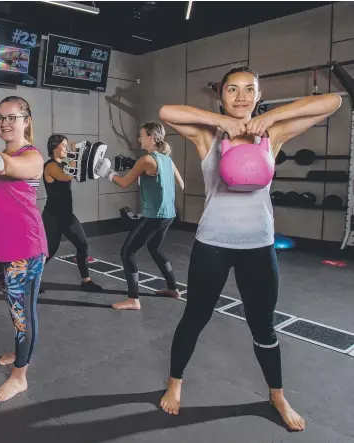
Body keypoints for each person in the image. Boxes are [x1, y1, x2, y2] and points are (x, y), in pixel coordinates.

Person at [158, 66, 342, 431]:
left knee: (264, 327)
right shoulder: (207, 136)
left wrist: (270, 116)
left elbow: (333, 101)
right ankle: (175, 382)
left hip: (258, 246)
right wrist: (220, 121)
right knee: (195, 317)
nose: (241, 97)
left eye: (249, 90)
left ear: (259, 95)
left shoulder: (272, 135)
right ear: (220, 95)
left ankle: (276, 394)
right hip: (212, 244)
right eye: (232, 90)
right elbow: (166, 113)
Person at [0, 96, 48, 402]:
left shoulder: (32, 157)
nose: (4, 123)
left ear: (26, 121)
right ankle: (19, 349)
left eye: (11, 117)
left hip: (25, 247)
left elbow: (9, 167)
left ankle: (20, 377)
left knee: (24, 314)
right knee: (14, 309)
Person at [95, 121, 185, 310]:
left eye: (142, 135)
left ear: (151, 138)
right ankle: (173, 289)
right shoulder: (167, 159)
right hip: (169, 215)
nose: (139, 138)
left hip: (154, 215)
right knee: (155, 248)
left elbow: (124, 183)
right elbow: (181, 184)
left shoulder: (146, 160)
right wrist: (151, 182)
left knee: (128, 252)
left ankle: (133, 299)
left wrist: (107, 174)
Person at [41, 134, 103, 292]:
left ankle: (86, 281)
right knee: (48, 251)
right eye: (63, 145)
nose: (66, 148)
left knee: (82, 244)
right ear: (54, 148)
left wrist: (78, 153)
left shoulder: (63, 164)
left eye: (67, 145)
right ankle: (30, 280)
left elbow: (77, 173)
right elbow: (68, 176)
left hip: (67, 215)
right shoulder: (51, 166)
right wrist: (77, 152)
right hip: (52, 216)